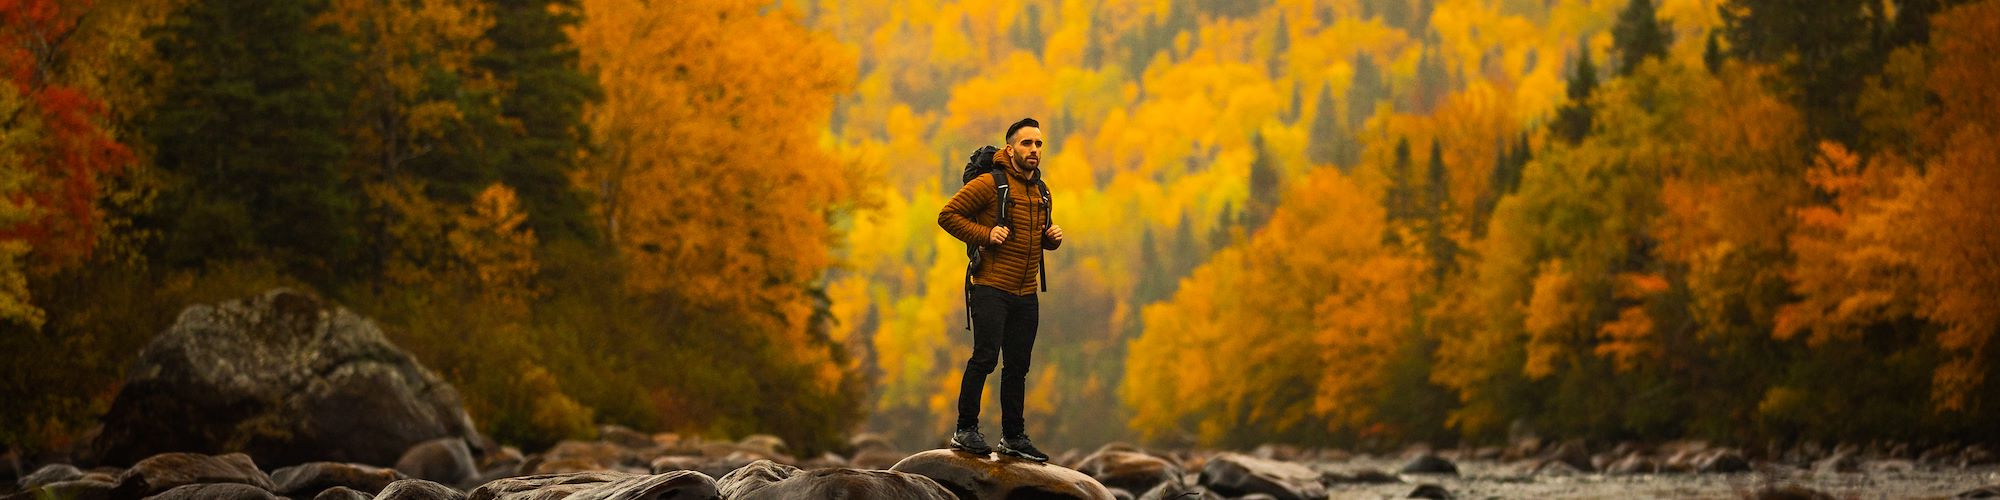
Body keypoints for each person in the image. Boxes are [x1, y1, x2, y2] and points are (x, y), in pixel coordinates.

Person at [936, 117, 1064, 461]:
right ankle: (965, 430)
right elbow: (947, 215)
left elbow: (1033, 235)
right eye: (1026, 144)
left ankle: (1013, 437)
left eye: (1038, 144)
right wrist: (985, 234)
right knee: (985, 358)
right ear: (1010, 149)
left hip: (1026, 292)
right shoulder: (991, 183)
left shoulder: (1041, 189)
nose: (1034, 150)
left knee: (1018, 366)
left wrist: (1051, 239)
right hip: (991, 286)